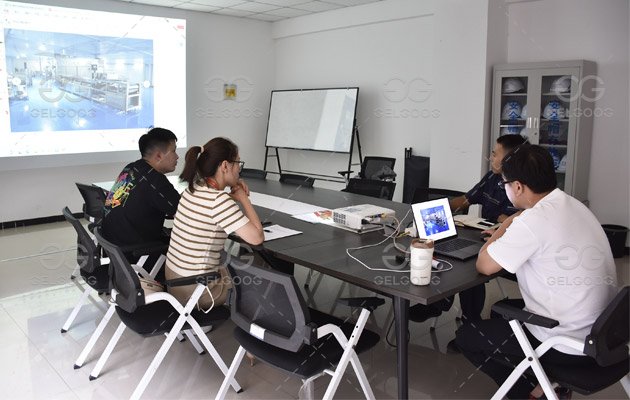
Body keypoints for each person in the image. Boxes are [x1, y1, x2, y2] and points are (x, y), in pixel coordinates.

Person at [455, 144, 617, 400]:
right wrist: (517, 220)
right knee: (500, 308)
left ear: (517, 186)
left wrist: (505, 225)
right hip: (607, 332)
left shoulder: (532, 221)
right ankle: (545, 383)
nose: (504, 188)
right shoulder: (573, 205)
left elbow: (483, 265)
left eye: (505, 183)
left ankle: (532, 393)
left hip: (568, 343)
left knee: (467, 336)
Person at [165, 137, 264, 309]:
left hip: (175, 281)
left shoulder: (192, 189)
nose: (239, 169)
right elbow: (257, 238)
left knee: (234, 263)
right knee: (258, 275)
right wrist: (243, 198)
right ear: (225, 166)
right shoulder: (218, 201)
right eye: (238, 163)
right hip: (198, 290)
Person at [102, 127, 180, 247]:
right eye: (174, 151)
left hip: (112, 246)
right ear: (158, 156)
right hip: (136, 253)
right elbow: (184, 214)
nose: (177, 157)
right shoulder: (156, 181)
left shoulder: (131, 168)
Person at [450, 134, 528, 223]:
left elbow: (525, 224)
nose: (490, 158)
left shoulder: (527, 188)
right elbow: (466, 200)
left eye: (494, 155)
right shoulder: (492, 177)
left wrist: (507, 220)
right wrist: (442, 209)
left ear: (509, 159)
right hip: (486, 233)